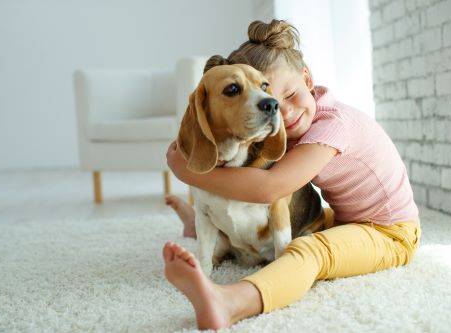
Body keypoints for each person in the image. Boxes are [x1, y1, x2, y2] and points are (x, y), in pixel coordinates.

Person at [162, 19, 420, 330]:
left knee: (309, 251)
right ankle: (204, 223)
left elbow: (269, 188)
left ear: (308, 79)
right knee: (305, 220)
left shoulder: (333, 127)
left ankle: (231, 302)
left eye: (289, 94)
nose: (282, 111)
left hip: (391, 233)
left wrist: (189, 173)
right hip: (341, 218)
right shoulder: (294, 123)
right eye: (271, 101)